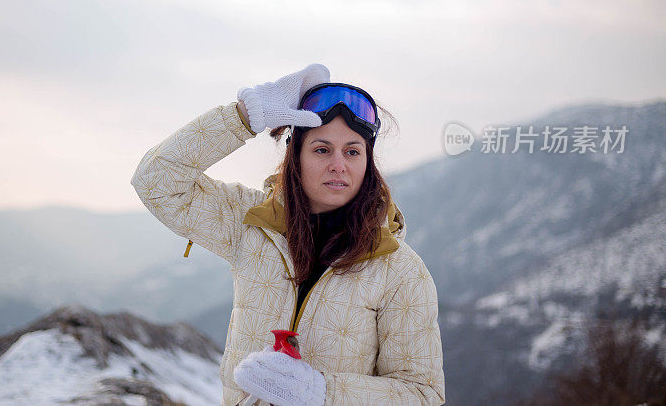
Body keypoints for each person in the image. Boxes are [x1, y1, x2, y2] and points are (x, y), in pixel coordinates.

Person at [132, 64, 445, 405]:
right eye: (322, 149)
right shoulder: (251, 223)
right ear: (295, 156)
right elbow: (155, 181)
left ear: (368, 163)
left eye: (353, 151)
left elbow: (422, 393)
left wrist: (321, 392)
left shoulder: (399, 270)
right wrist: (242, 116)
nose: (338, 164)